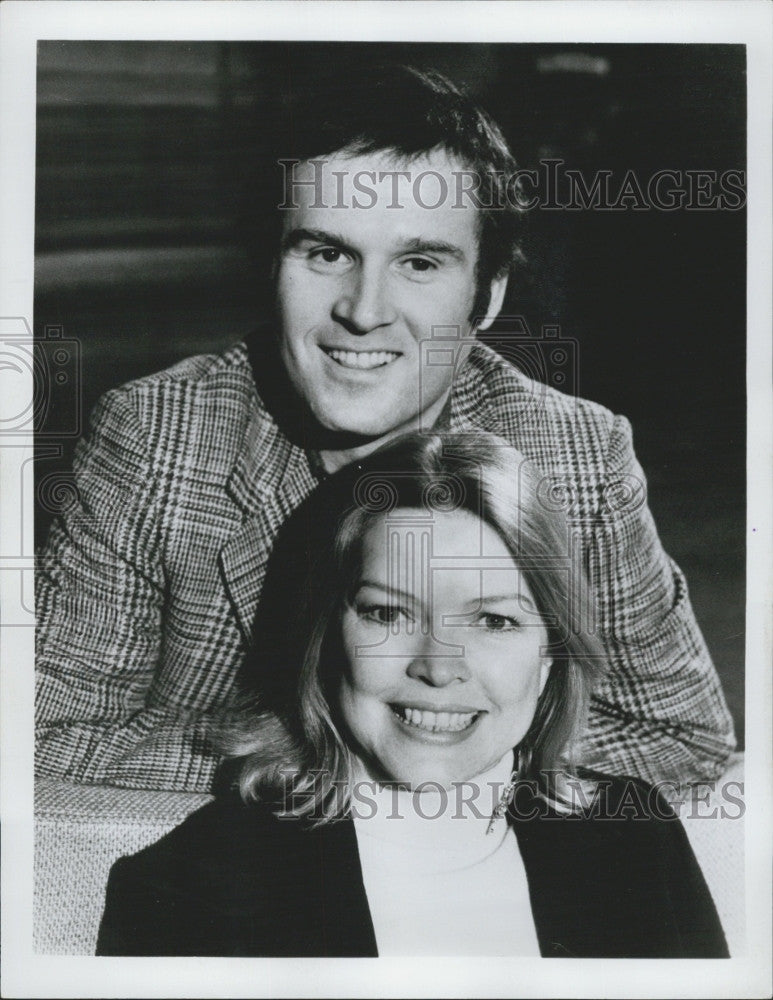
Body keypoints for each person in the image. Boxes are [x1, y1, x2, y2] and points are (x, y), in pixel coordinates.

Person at [36, 64, 735, 793]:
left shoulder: (575, 455)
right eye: (327, 253)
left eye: (419, 262)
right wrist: (332, 754)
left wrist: (438, 749)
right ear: (270, 268)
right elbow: (38, 732)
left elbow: (680, 736)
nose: (364, 311)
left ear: (486, 297)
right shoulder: (156, 438)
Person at [96, 432, 728, 958]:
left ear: (551, 654)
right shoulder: (187, 887)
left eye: (494, 621)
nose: (437, 667)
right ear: (324, 640)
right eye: (389, 615)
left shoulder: (634, 836)